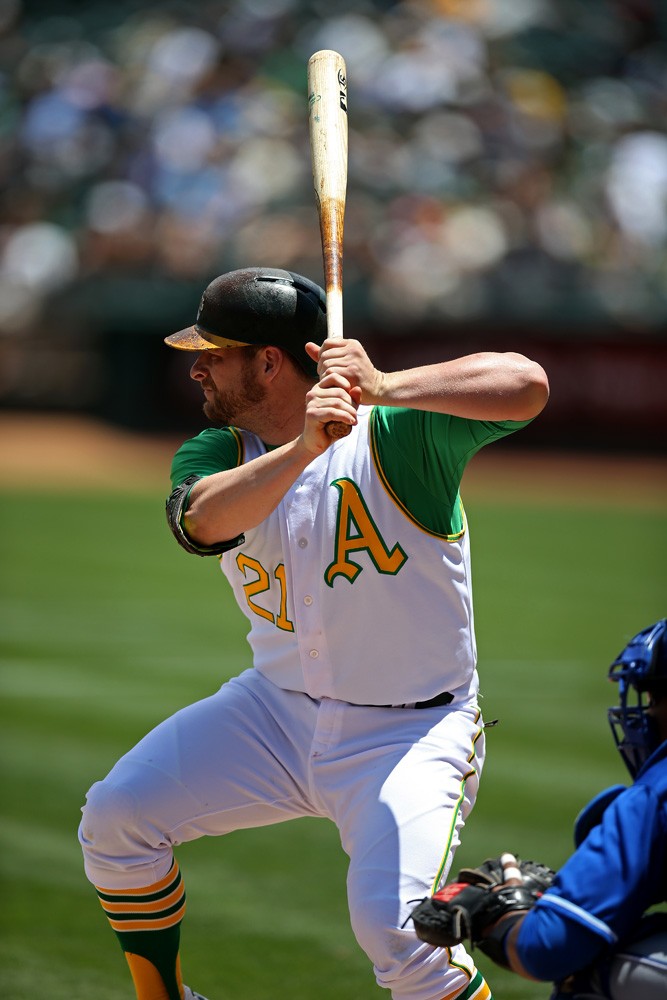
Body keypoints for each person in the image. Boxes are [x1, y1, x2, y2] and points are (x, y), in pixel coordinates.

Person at [78, 265, 549, 1000]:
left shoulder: (397, 436)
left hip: (409, 734)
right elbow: (200, 520)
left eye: (214, 353)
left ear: (269, 362)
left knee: (404, 940)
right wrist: (303, 447)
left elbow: (526, 384)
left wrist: (383, 384)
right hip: (274, 712)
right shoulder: (216, 451)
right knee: (116, 819)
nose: (197, 367)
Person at [412, 618, 667, 999]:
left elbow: (546, 946)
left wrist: (502, 912)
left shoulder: (653, 796)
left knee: (595, 966)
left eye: (654, 699)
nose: (645, 713)